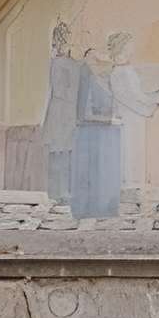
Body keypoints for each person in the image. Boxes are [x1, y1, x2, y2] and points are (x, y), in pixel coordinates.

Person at [69, 43, 122, 219]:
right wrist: (109, 120)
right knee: (92, 173)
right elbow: (84, 114)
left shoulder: (105, 81)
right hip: (91, 135)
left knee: (105, 174)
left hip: (105, 134)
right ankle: (90, 211)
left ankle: (105, 210)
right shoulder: (89, 80)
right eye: (93, 59)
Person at [104, 29, 158, 200]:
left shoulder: (123, 69)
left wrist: (152, 99)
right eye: (130, 44)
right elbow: (129, 97)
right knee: (128, 150)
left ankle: (133, 188)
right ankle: (128, 189)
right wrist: (150, 104)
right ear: (124, 46)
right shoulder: (120, 71)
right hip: (128, 116)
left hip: (134, 116)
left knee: (134, 150)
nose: (133, 47)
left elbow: (136, 94)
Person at [40, 20, 80, 207]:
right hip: (60, 112)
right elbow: (59, 90)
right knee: (58, 153)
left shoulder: (71, 64)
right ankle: (57, 192)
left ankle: (63, 191)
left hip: (67, 112)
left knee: (65, 153)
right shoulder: (58, 63)